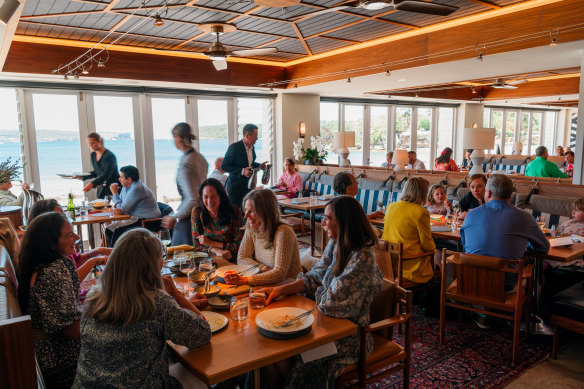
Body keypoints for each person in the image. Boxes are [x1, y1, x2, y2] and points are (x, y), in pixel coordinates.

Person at [262, 196, 383, 389]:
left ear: (343, 222)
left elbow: (330, 304)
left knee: (293, 358)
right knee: (270, 354)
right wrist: (279, 290)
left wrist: (320, 289)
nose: (322, 222)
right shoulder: (336, 242)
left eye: (327, 218)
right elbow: (315, 277)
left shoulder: (362, 256)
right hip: (327, 325)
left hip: (350, 337)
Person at [73, 228, 211, 388]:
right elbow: (202, 332)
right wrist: (175, 294)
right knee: (195, 379)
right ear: (154, 265)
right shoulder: (155, 302)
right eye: (161, 257)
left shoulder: (94, 296)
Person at [16, 212, 83, 388]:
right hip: (62, 362)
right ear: (51, 244)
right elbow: (73, 331)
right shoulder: (56, 270)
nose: (76, 237)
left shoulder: (35, 266)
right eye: (69, 235)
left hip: (44, 356)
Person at [461, 174, 549, 289]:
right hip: (503, 287)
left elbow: (465, 245)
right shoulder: (524, 217)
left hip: (470, 282)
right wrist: (520, 246)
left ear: (488, 193)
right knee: (538, 275)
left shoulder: (470, 214)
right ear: (510, 194)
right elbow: (543, 248)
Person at [223, 189, 302, 286]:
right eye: (246, 210)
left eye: (251, 211)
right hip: (267, 284)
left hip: (289, 287)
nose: (246, 216)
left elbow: (280, 274)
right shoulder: (252, 227)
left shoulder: (284, 231)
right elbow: (242, 258)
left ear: (266, 212)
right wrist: (263, 268)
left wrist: (245, 280)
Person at [28, 199, 110, 284]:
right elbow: (71, 282)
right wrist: (94, 261)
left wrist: (98, 251)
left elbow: (76, 260)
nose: (64, 220)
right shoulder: (48, 262)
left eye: (64, 216)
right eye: (59, 219)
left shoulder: (57, 248)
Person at [381, 177, 436, 284]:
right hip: (408, 265)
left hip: (388, 263)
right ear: (422, 193)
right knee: (440, 260)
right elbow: (427, 245)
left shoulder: (391, 207)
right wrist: (435, 251)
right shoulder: (421, 212)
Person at [161, 123, 209, 246]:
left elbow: (193, 197)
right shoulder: (200, 158)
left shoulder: (186, 163)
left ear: (178, 138)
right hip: (205, 214)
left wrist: (175, 216)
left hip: (190, 218)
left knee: (181, 255)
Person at [191, 178, 244, 266]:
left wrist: (212, 243)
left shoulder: (234, 211)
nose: (209, 201)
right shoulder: (197, 211)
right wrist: (216, 250)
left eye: (213, 196)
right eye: (205, 197)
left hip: (231, 261)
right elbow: (196, 245)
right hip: (206, 262)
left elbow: (240, 245)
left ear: (221, 196)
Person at [105, 165, 162, 247]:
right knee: (109, 230)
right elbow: (121, 204)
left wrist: (114, 193)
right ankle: (114, 253)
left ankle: (117, 255)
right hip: (136, 219)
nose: (119, 179)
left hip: (149, 221)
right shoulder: (126, 187)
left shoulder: (137, 189)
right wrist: (119, 205)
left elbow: (121, 209)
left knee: (117, 232)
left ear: (129, 179)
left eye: (121, 177)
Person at [221, 123, 267, 208]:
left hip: (248, 187)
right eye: (255, 136)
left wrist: (260, 166)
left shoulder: (252, 148)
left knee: (247, 214)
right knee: (236, 216)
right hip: (235, 189)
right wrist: (242, 171)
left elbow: (249, 164)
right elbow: (224, 166)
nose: (257, 138)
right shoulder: (235, 147)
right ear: (247, 135)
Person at [75, 132, 119, 198]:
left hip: (113, 189)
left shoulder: (110, 156)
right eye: (89, 143)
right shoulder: (93, 155)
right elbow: (97, 172)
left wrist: (92, 184)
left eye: (93, 143)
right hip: (101, 190)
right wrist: (83, 176)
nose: (90, 146)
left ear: (100, 142)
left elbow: (106, 174)